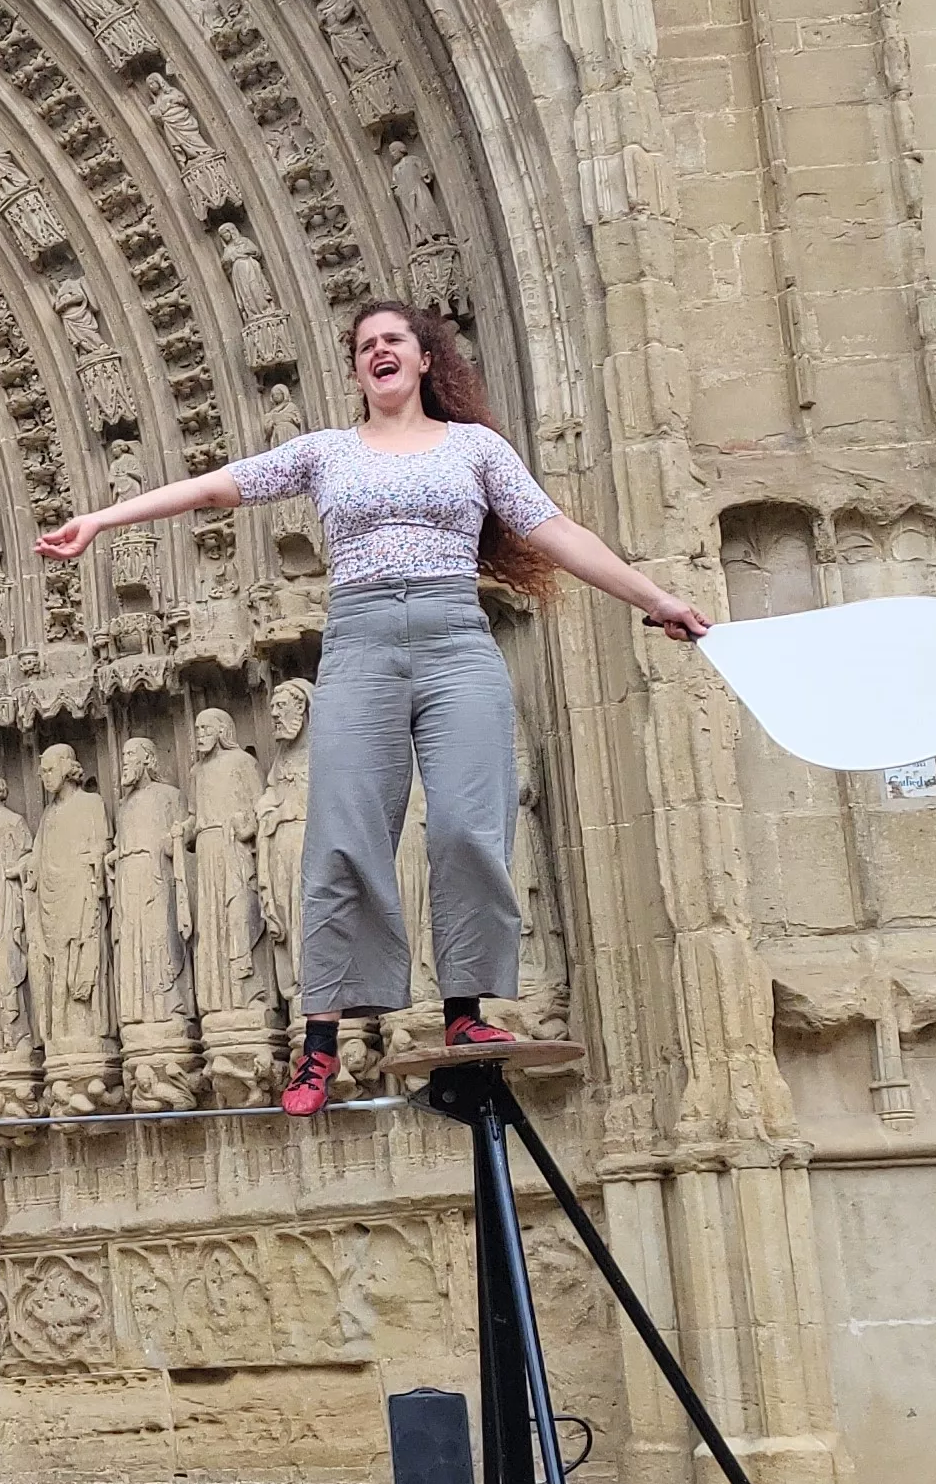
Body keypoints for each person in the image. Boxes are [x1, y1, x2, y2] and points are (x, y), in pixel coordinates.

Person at [37, 301, 706, 1114]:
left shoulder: (475, 449)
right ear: (356, 369)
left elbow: (555, 531)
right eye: (364, 346)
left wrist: (656, 598)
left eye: (393, 340)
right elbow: (218, 490)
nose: (378, 352)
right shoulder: (326, 453)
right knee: (344, 832)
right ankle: (322, 1040)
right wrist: (102, 520)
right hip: (359, 644)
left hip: (456, 639)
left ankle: (466, 1012)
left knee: (467, 823)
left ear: (425, 360)